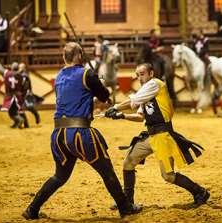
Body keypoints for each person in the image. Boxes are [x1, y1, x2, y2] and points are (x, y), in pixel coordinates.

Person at [21, 42, 142, 220]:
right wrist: (100, 84)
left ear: (64, 58)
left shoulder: (60, 76)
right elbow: (104, 97)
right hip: (80, 134)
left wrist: (95, 89)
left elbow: (80, 103)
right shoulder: (87, 73)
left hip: (58, 136)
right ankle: (125, 208)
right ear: (80, 57)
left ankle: (32, 209)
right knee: (107, 171)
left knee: (59, 177)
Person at [104, 63, 209, 209]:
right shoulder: (145, 91)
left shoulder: (154, 84)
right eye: (137, 75)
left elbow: (132, 101)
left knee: (168, 176)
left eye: (142, 74)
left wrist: (115, 107)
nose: (140, 78)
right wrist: (122, 115)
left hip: (163, 136)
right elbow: (141, 116)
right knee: (128, 162)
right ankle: (127, 202)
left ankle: (200, 192)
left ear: (151, 74)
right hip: (151, 136)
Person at [0, 62, 25, 128]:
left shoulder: (7, 73)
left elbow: (0, 69)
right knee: (15, 110)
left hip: (9, 97)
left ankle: (19, 119)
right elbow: (24, 87)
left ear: (12, 67)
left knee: (11, 113)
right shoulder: (21, 76)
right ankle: (16, 124)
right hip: (18, 97)